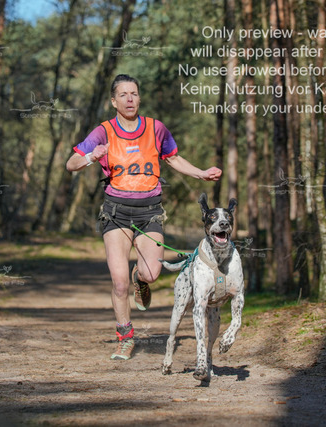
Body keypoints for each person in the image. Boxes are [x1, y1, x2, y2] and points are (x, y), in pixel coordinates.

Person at [66, 74, 222, 360]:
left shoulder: (155, 128)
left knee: (151, 273)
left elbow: (173, 158)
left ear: (139, 98)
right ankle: (125, 337)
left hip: (149, 211)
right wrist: (91, 156)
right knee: (119, 283)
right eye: (123, 95)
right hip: (116, 213)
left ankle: (140, 278)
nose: (129, 99)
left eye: (134, 94)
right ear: (113, 101)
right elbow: (71, 163)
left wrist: (201, 173)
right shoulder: (103, 131)